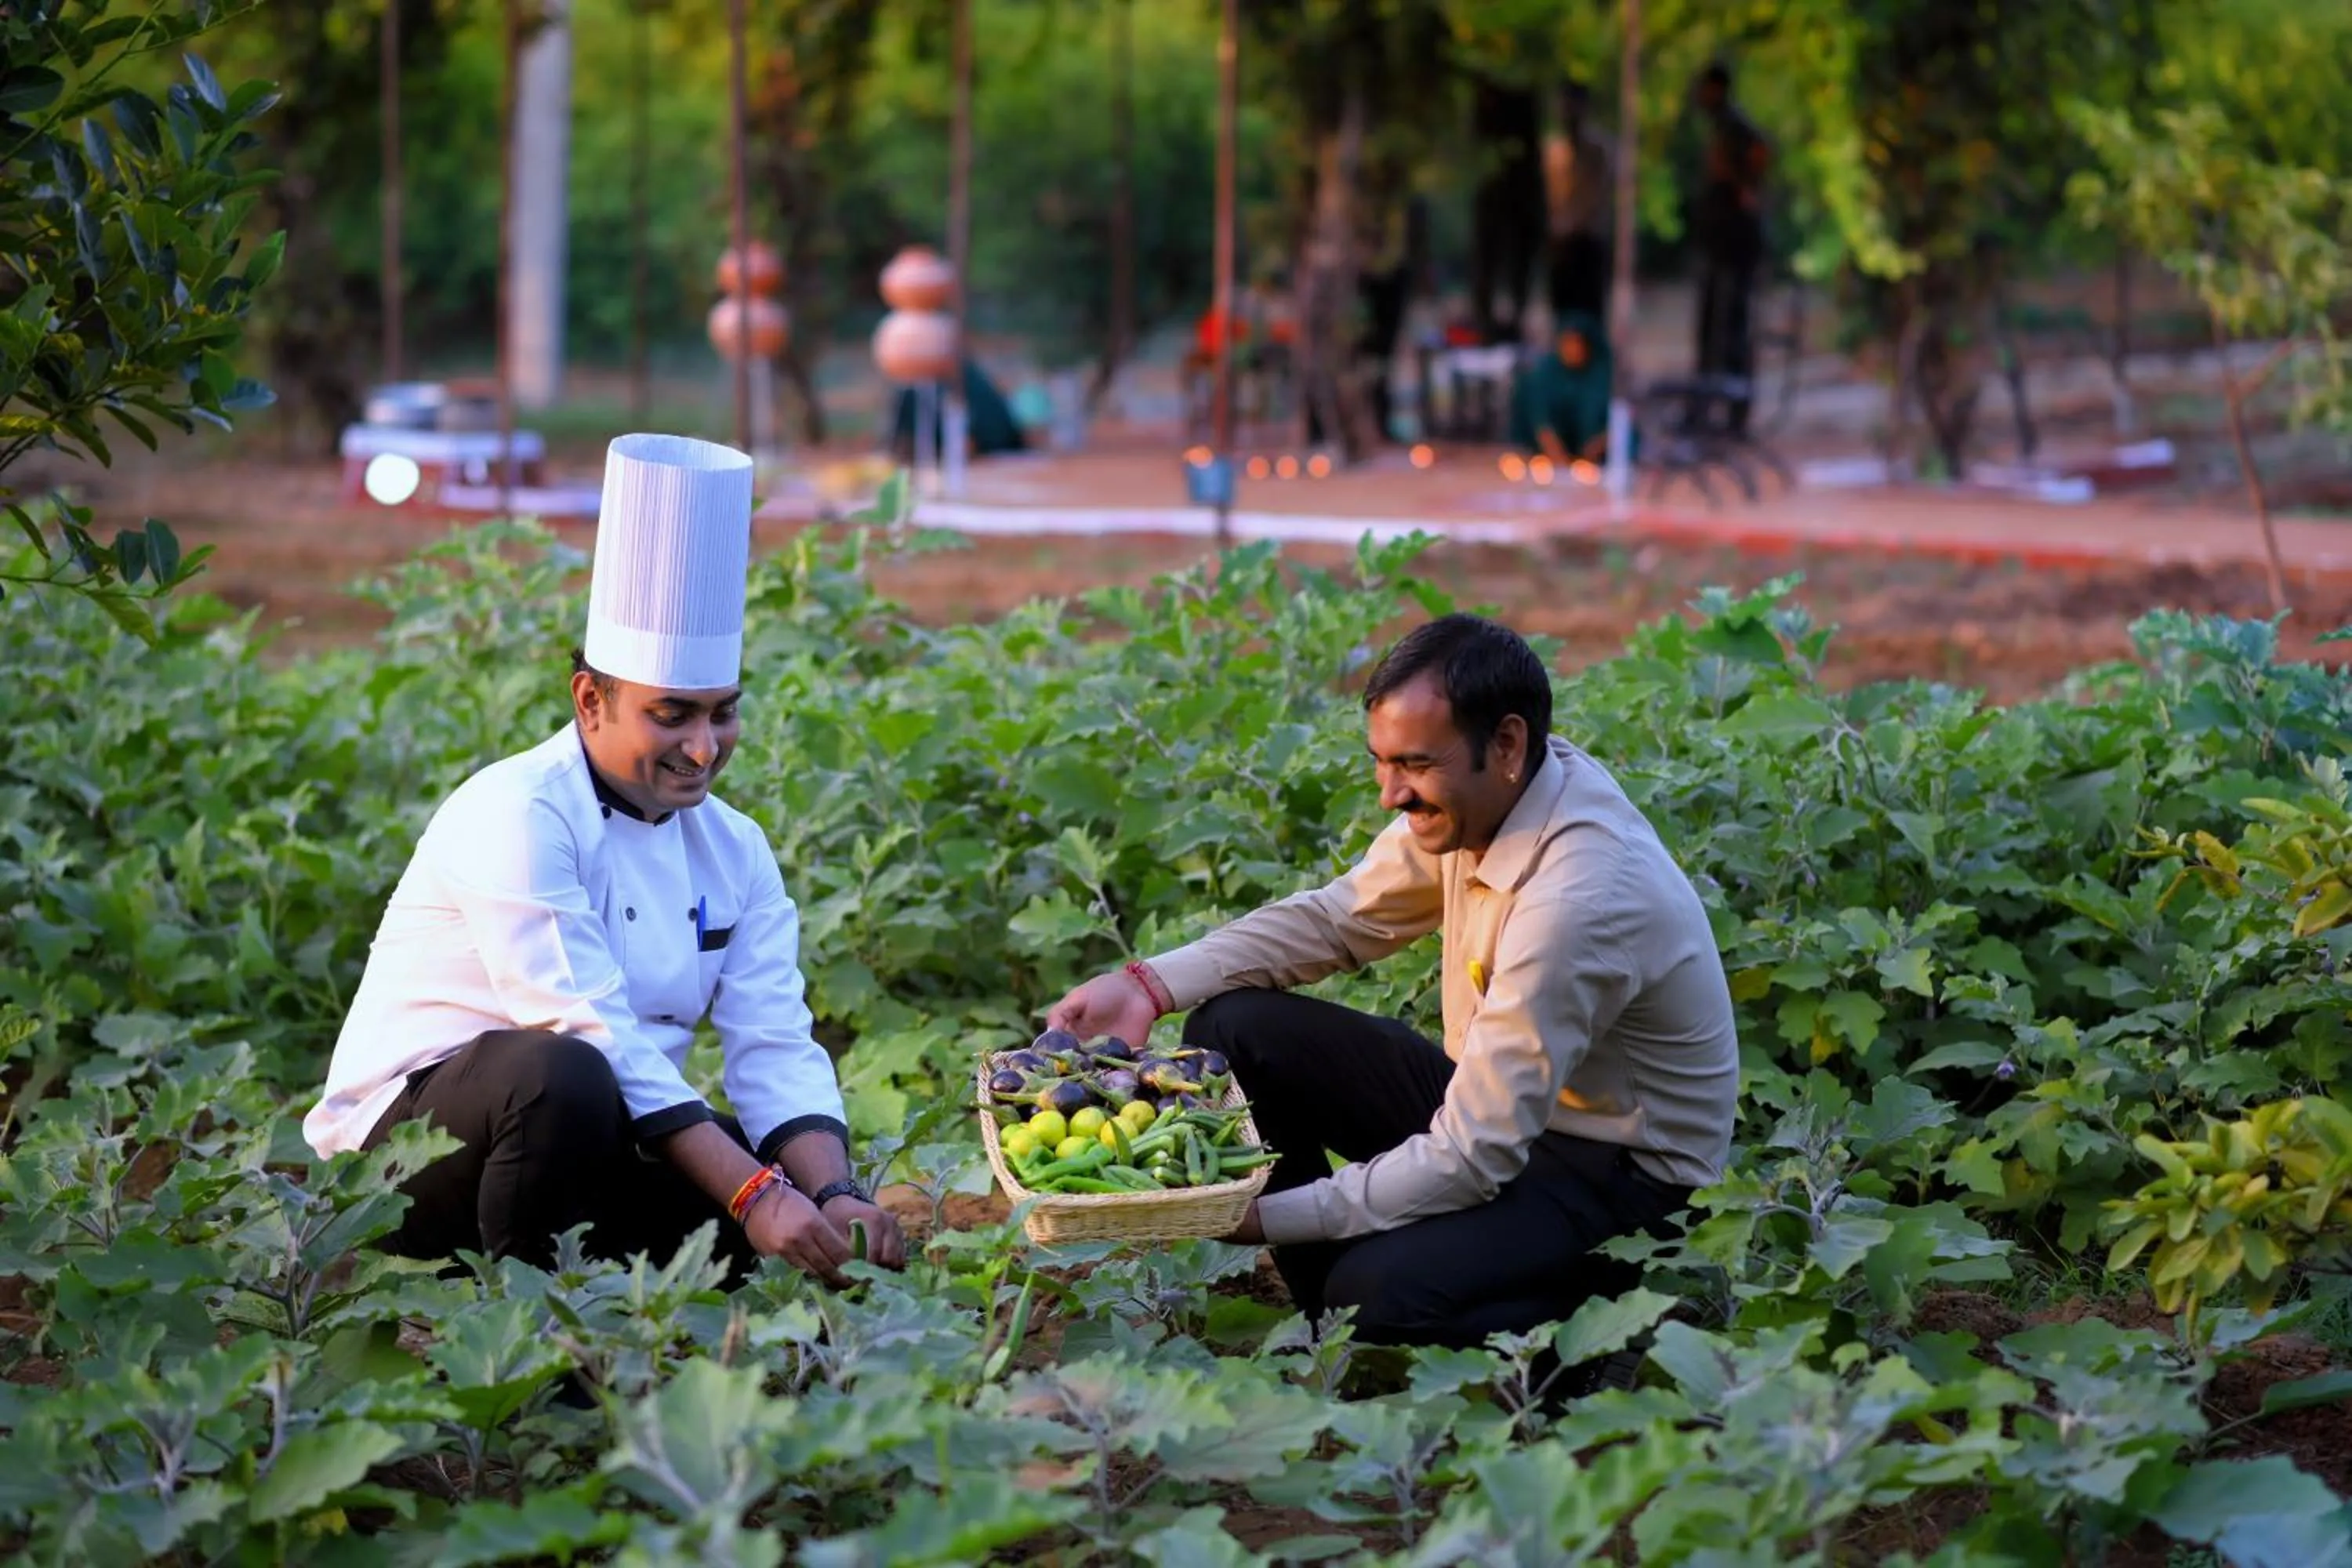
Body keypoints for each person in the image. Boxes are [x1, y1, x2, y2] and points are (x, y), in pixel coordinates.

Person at [304, 433, 907, 1287]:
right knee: (562, 1073)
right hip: (407, 1162)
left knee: (768, 1207)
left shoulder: (735, 846)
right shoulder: (516, 810)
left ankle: (628, 1307)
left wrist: (830, 1190)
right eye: (672, 716)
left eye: (723, 714)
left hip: (604, 1130)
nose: (703, 749)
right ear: (591, 699)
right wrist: (753, 1194)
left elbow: (772, 1039)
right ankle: (538, 1345)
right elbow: (586, 1027)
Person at [1045, 615, 1737, 1352]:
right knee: (1234, 1030)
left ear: (1506, 744)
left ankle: (1601, 1329)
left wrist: (1255, 1216)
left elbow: (1474, 1154)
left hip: (1621, 1178)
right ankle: (1337, 1327)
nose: (1389, 795)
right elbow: (1344, 918)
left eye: (1412, 764)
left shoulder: (1577, 900)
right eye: (1380, 762)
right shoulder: (1493, 799)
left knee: (1374, 1296)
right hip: (1508, 1112)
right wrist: (1150, 986)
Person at [1690, 60, 1772, 434]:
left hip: (1733, 246)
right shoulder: (1721, 126)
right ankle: (1708, 411)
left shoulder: (1737, 128)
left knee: (1731, 331)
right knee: (1712, 330)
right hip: (1717, 244)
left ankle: (1732, 415)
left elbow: (1758, 160)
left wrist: (1742, 185)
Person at [1542, 81, 1613, 324]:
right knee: (1562, 314)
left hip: (1588, 243)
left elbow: (1599, 196)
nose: (1567, 111)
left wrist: (1571, 226)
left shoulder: (1598, 151)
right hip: (1561, 246)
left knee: (1589, 314)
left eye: (1572, 105)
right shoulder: (1553, 151)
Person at [1508, 312, 1617, 464]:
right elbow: (1541, 423)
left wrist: (1596, 447)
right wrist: (1562, 464)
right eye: (1566, 343)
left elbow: (1619, 422)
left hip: (1594, 461)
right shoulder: (1544, 374)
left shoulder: (1601, 375)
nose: (1571, 350)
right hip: (1548, 458)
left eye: (1577, 343)